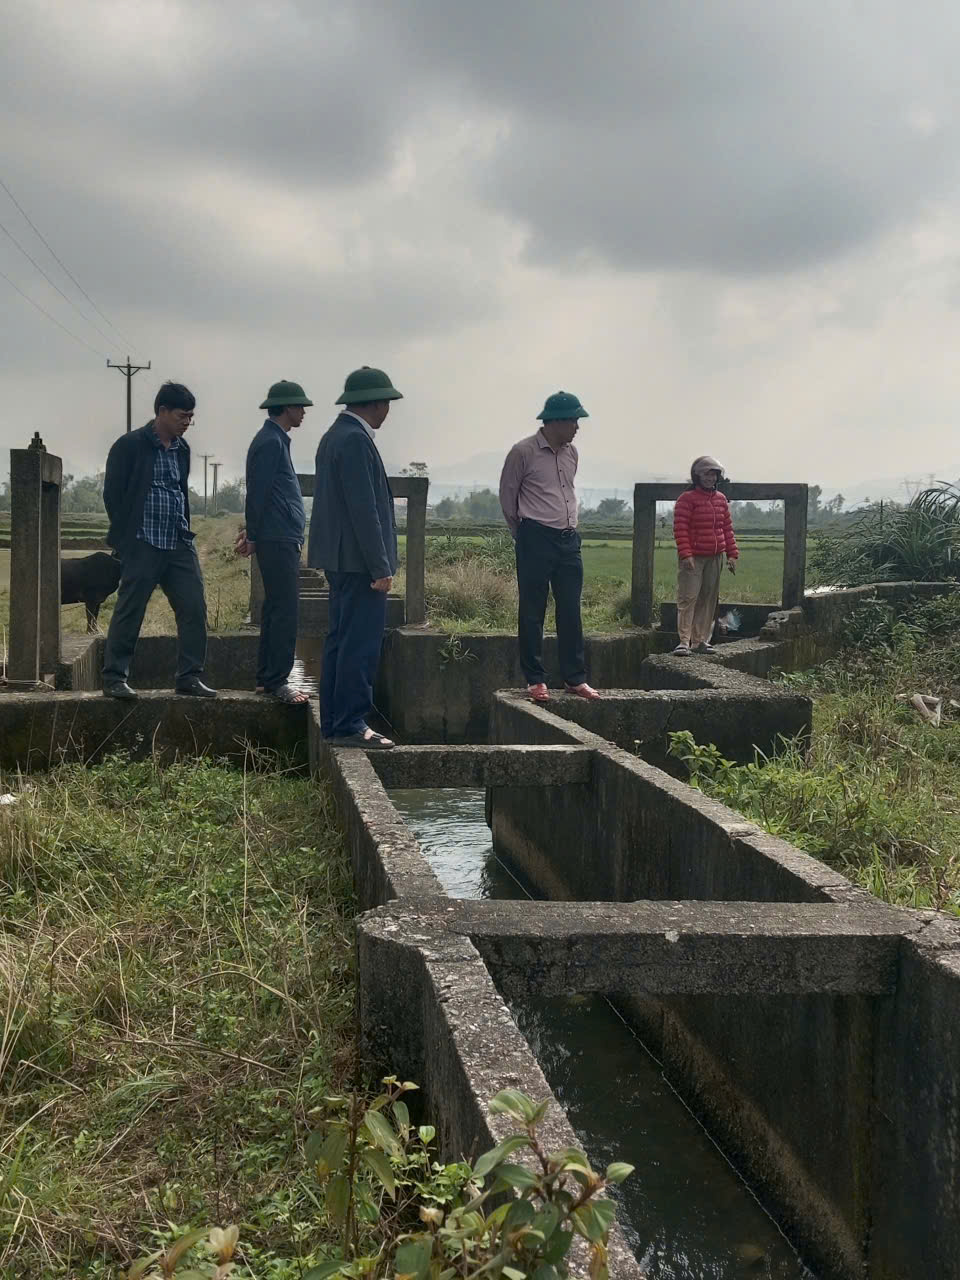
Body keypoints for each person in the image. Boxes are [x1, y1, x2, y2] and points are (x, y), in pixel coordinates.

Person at [307, 366, 402, 747]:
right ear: (375, 403)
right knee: (360, 644)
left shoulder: (335, 436)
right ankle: (351, 724)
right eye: (387, 403)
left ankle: (335, 722)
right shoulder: (355, 441)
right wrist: (380, 566)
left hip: (341, 558)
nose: (388, 411)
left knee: (340, 641)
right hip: (359, 562)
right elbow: (364, 510)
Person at [101, 381, 215, 700]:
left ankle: (189, 677)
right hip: (143, 542)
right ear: (162, 411)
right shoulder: (129, 445)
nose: (187, 422)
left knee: (193, 607)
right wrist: (128, 539)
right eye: (182, 415)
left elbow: (180, 492)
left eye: (191, 417)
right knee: (130, 609)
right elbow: (113, 495)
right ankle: (114, 678)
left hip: (178, 542)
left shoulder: (183, 449)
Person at [499, 391, 599, 703]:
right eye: (573, 421)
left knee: (570, 608)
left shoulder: (572, 454)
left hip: (568, 539)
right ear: (555, 422)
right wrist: (523, 534)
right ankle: (535, 679)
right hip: (535, 537)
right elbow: (508, 497)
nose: (577, 428)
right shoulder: (523, 452)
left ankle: (575, 678)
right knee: (533, 609)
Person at [236, 380, 313, 705]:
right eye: (300, 407)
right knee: (285, 609)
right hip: (277, 537)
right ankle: (278, 681)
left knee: (276, 607)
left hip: (280, 535)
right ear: (287, 408)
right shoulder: (270, 442)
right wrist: (253, 535)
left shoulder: (276, 440)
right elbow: (258, 493)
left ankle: (266, 679)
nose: (304, 412)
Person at [672, 455, 739, 656]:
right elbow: (680, 528)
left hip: (715, 556)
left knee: (708, 599)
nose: (710, 478)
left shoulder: (720, 500)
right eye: (706, 475)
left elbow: (727, 528)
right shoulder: (687, 499)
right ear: (697, 476)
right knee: (688, 598)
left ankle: (700, 640)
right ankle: (684, 641)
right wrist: (686, 554)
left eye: (714, 475)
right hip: (694, 556)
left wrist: (732, 554)